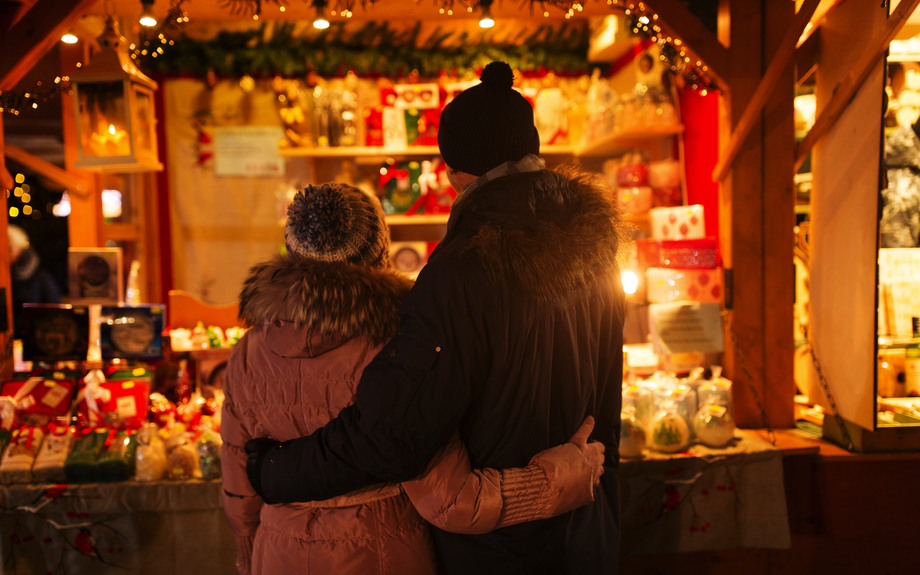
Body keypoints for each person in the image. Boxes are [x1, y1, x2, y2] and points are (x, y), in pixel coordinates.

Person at [246, 61, 626, 574]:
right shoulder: (597, 248)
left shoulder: (463, 269)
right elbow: (607, 409)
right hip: (586, 535)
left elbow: (392, 435)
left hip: (496, 553)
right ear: (531, 150)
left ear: (453, 170)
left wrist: (274, 470)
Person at [221, 183, 607, 575]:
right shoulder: (398, 349)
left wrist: (248, 553)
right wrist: (560, 478)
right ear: (379, 253)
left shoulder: (247, 353)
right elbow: (453, 502)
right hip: (380, 553)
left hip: (277, 552)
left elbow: (239, 488)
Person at [8, 224, 61, 337]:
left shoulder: (39, 276)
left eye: (9, 248)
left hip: (35, 337)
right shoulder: (5, 276)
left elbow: (54, 308)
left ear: (19, 248)